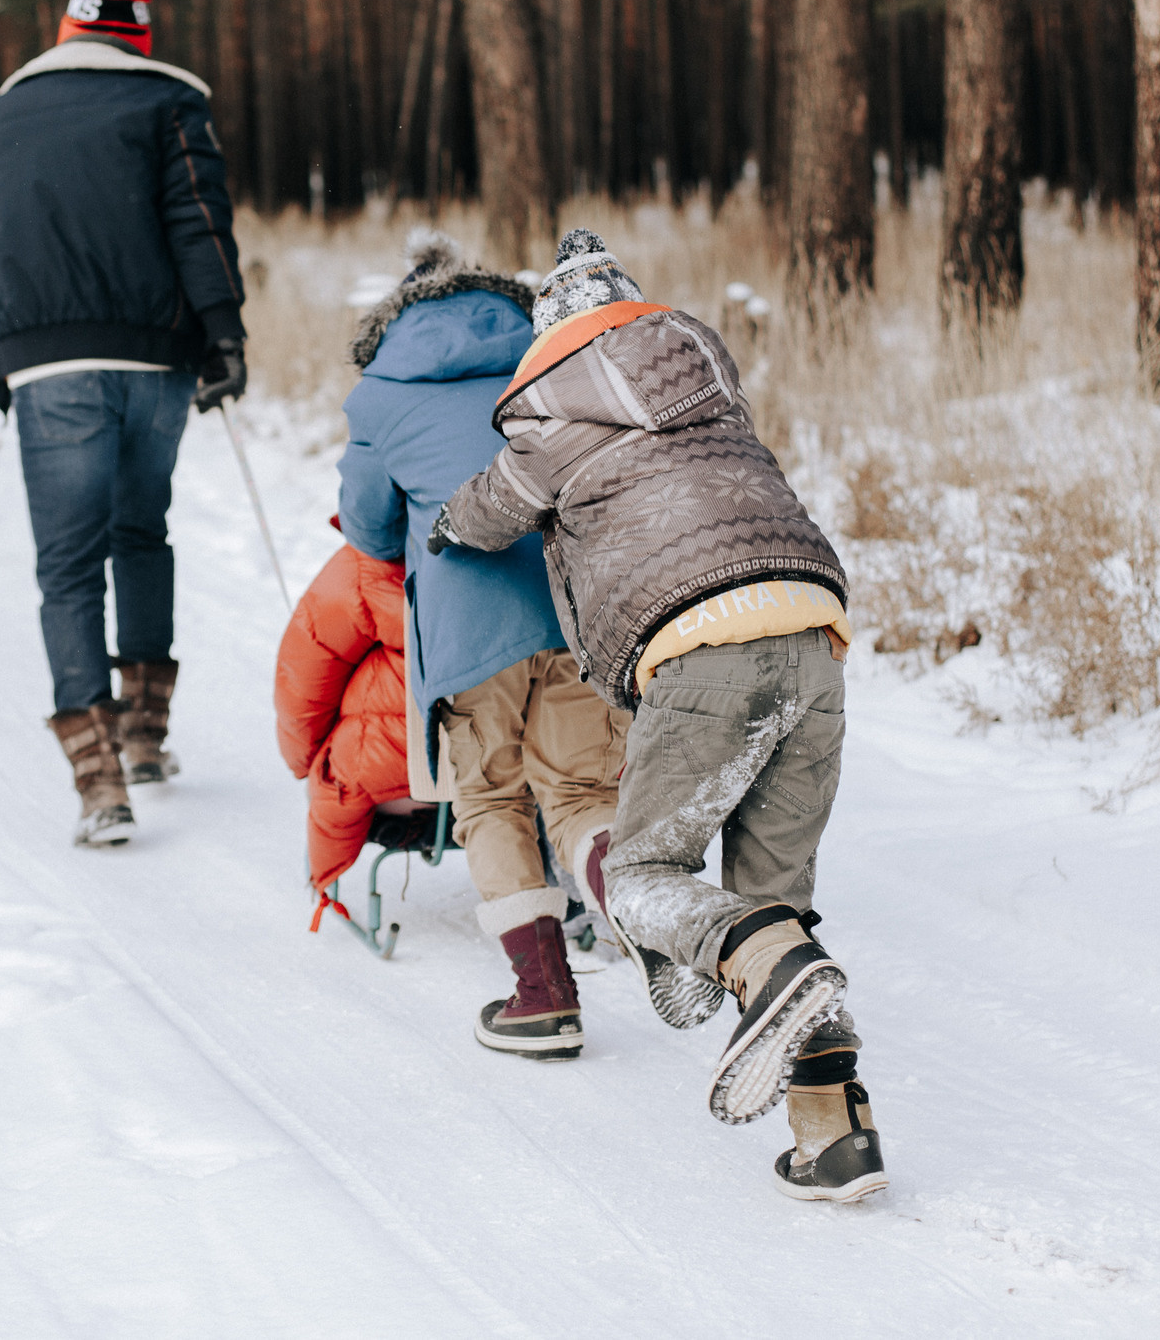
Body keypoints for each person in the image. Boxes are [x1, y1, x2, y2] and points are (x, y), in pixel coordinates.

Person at [430, 228, 888, 1203]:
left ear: (554, 339)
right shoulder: (710, 392)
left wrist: (439, 521)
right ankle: (832, 1134)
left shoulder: (552, 416)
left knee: (642, 876)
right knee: (776, 906)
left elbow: (482, 514)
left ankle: (767, 964)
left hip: (702, 642)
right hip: (815, 631)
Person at [0, 0, 248, 848]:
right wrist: (224, 332)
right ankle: (144, 736)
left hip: (49, 370)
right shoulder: (168, 106)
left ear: (66, 32)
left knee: (68, 563)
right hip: (155, 366)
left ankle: (100, 782)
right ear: (138, 38)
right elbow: (199, 222)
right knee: (142, 532)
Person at [337, 232, 628, 1062]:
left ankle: (543, 997)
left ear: (398, 311)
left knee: (493, 797)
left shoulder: (379, 394)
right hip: (576, 603)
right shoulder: (546, 355)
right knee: (580, 790)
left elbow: (369, 526)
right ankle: (641, 924)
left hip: (468, 629)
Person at [273, 538, 418, 896]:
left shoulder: (366, 566)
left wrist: (308, 764)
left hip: (402, 769)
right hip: (516, 746)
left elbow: (305, 680)